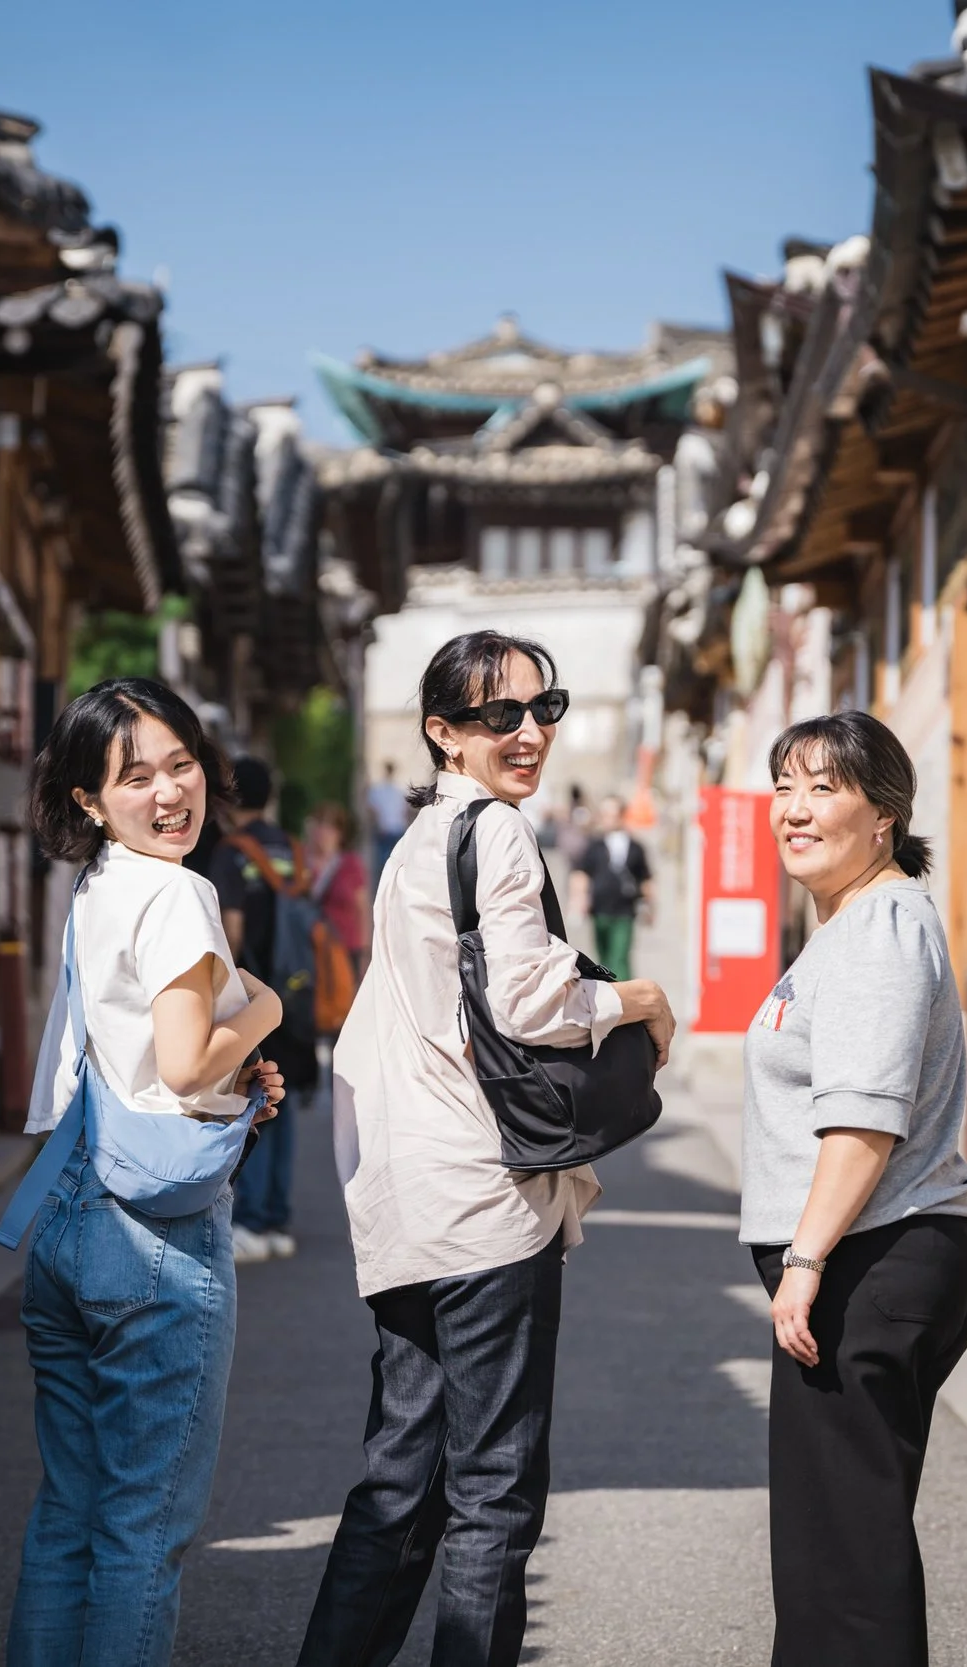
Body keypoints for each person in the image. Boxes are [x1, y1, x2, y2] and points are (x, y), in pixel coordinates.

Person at [298, 630, 677, 1667]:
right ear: (440, 731)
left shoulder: (416, 845)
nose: (524, 732)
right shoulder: (496, 833)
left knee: (400, 1483)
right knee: (493, 1491)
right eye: (493, 715)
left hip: (411, 1198)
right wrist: (638, 996)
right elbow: (526, 999)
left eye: (539, 708)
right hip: (484, 1200)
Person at [10, 677, 285, 1667]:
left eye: (181, 764)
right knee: (142, 1523)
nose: (172, 791)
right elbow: (179, 1061)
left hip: (66, 1217)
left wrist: (236, 1073)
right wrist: (262, 1015)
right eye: (136, 776)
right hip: (156, 1241)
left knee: (70, 1510)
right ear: (88, 796)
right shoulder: (175, 888)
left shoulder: (92, 884)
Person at [740, 711, 967, 1666]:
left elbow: (865, 1119)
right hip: (872, 1253)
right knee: (845, 1543)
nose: (795, 810)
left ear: (883, 815)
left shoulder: (880, 927)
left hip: (868, 1256)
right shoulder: (853, 925)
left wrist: (804, 1261)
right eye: (785, 785)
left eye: (825, 788)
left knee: (841, 1562)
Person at [214, 756, 317, 1263]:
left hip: (255, 998)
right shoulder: (293, 852)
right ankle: (277, 1219)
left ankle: (250, 1221)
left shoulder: (232, 854)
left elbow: (230, 934)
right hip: (297, 996)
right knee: (286, 1100)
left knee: (254, 1100)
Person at [568, 793, 652, 976]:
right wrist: (578, 901)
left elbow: (645, 878)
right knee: (603, 956)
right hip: (599, 910)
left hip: (624, 910)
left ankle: (625, 996)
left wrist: (649, 906)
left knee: (620, 957)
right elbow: (582, 874)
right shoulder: (594, 845)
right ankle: (608, 993)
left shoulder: (635, 847)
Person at [303, 799, 372, 983]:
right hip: (310, 948)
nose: (323, 831)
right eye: (319, 824)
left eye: (330, 826)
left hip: (346, 947)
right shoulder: (301, 861)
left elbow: (362, 909)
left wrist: (365, 954)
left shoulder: (350, 864)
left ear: (340, 833)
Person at [365, 759, 410, 879]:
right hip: (397, 828)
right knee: (396, 860)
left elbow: (373, 811)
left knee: (382, 862)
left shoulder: (377, 790)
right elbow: (405, 811)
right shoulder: (400, 790)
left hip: (384, 828)